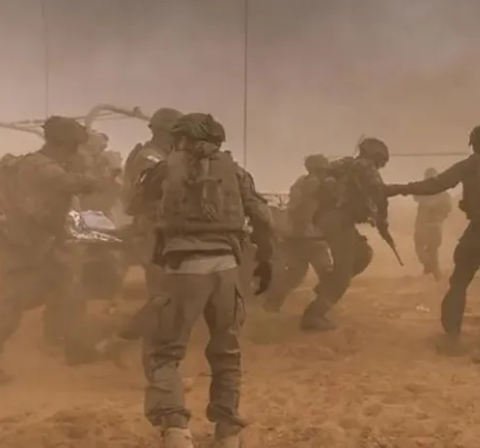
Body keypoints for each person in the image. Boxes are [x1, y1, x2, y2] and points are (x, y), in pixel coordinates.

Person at [139, 113, 273, 448]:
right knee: (227, 353)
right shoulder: (236, 172)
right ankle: (228, 433)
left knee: (164, 352)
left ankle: (175, 431)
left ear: (181, 139)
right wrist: (266, 260)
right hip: (226, 269)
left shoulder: (164, 168)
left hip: (183, 269)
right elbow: (263, 217)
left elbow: (134, 204)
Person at [386, 122, 480, 360]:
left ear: (475, 144)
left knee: (460, 281)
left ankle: (452, 336)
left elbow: (435, 185)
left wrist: (395, 189)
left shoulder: (470, 165)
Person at [0, 116, 100, 383]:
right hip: (18, 247)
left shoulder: (38, 164)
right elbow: (69, 183)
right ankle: (71, 344)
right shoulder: (40, 165)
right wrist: (92, 174)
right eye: (75, 147)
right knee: (9, 307)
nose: (76, 152)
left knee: (69, 287)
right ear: (65, 145)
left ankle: (75, 345)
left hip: (35, 245)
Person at [95, 108, 184, 362]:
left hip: (163, 232)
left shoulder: (162, 157)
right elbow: (151, 198)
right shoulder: (150, 159)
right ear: (166, 132)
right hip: (153, 234)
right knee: (165, 296)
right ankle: (126, 345)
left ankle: (127, 343)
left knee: (171, 295)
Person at [300, 137, 391, 331]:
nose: (379, 166)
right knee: (343, 273)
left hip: (328, 218)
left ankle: (327, 285)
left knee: (363, 253)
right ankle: (314, 314)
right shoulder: (366, 167)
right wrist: (383, 222)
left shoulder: (344, 164)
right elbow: (379, 193)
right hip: (338, 221)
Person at [262, 154, 333, 312]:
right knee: (324, 272)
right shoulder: (316, 184)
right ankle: (319, 308)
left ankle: (271, 304)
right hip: (310, 238)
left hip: (299, 237)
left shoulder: (301, 183)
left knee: (295, 275)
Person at [413, 167, 453, 280]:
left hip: (431, 225)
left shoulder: (441, 193)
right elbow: (415, 197)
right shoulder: (440, 193)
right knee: (428, 250)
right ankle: (433, 270)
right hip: (427, 225)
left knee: (427, 249)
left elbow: (448, 207)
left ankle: (432, 270)